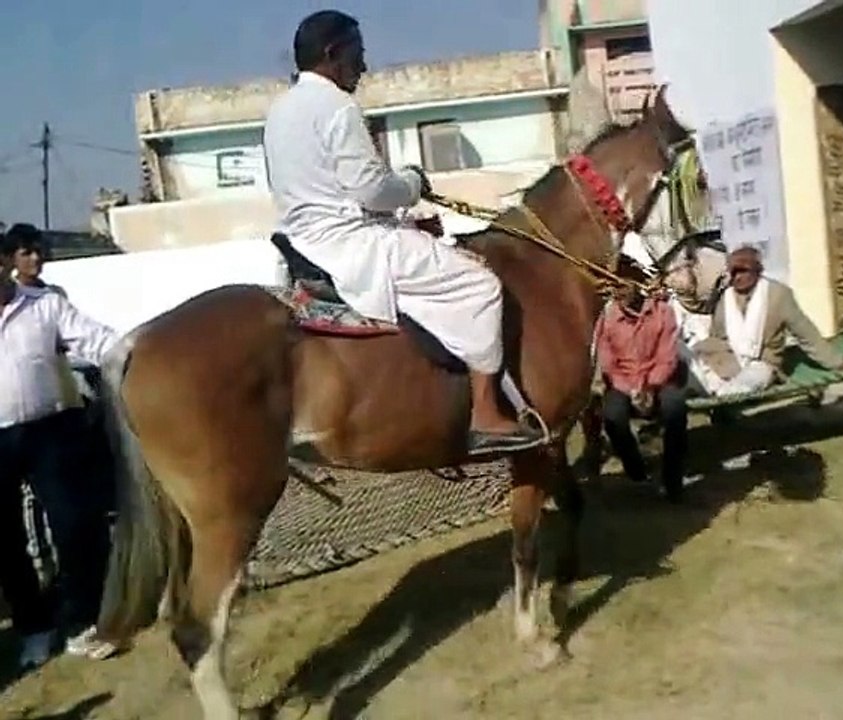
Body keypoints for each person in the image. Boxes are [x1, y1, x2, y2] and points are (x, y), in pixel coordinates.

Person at [263, 10, 543, 456]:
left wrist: (407, 224)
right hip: (352, 246)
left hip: (307, 240)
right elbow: (372, 189)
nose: (364, 67)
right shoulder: (337, 106)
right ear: (334, 54)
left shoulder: (279, 111)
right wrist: (413, 183)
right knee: (481, 284)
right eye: (358, 54)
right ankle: (486, 416)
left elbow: (332, 193)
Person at [0, 230, 120, 669]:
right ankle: (34, 626)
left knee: (75, 526)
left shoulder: (45, 305)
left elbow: (98, 340)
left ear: (5, 263)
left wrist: (146, 353)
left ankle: (84, 621)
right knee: (5, 540)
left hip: (52, 430)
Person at [691, 246, 843, 396]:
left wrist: (837, 363)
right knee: (694, 366)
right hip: (729, 362)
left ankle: (724, 395)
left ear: (757, 271)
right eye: (734, 272)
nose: (737, 277)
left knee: (743, 385)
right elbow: (716, 337)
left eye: (743, 271)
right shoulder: (726, 299)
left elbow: (806, 335)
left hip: (762, 364)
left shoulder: (778, 295)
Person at [594, 284, 689, 503]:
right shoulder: (607, 317)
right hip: (623, 382)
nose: (623, 292)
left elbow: (667, 355)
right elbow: (608, 363)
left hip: (658, 378)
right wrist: (630, 389)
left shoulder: (663, 311)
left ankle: (673, 480)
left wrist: (651, 385)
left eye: (628, 285)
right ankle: (635, 467)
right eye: (618, 286)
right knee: (612, 416)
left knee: (675, 409)